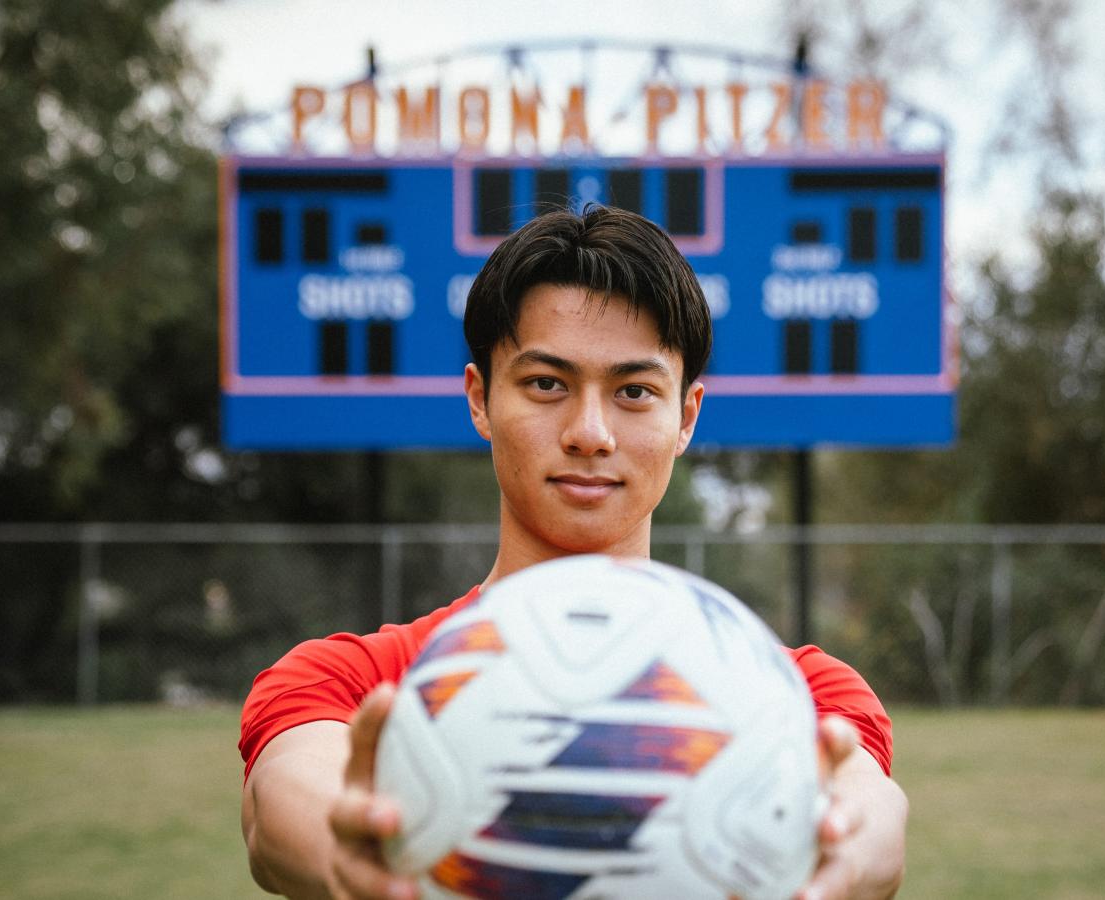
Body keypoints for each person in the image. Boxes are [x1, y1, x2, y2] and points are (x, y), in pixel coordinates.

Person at [239, 206, 908, 899]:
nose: (590, 432)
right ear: (480, 399)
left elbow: (874, 810)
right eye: (547, 384)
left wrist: (844, 854)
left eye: (634, 392)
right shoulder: (357, 680)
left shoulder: (793, 691)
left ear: (686, 416)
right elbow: (281, 803)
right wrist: (347, 843)